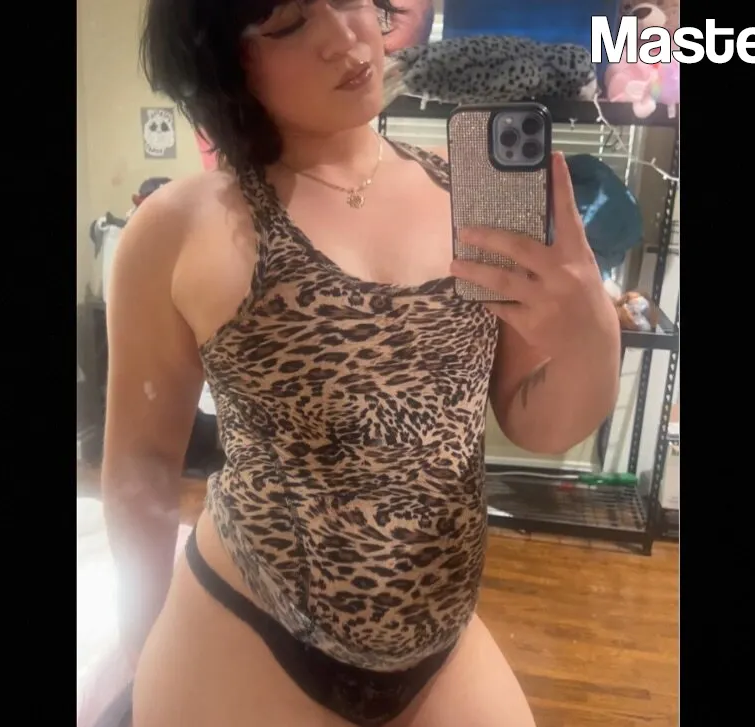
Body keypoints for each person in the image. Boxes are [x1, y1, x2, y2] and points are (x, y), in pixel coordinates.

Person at [101, 1, 621, 726]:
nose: (345, 37)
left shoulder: (473, 199)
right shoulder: (178, 227)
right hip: (245, 629)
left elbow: (534, 422)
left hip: (441, 640)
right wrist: (140, 643)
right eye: (290, 23)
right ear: (223, 57)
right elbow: (142, 464)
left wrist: (594, 337)